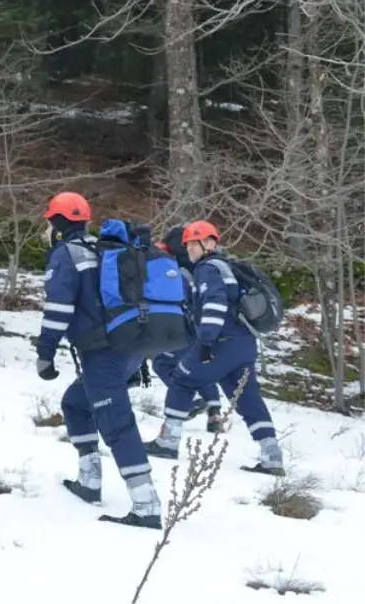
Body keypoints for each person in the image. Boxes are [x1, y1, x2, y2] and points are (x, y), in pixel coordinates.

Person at [35, 191, 163, 529]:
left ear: (57, 224)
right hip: (129, 351)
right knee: (76, 404)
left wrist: (44, 353)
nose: (46, 229)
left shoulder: (67, 255)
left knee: (116, 423)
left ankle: (146, 505)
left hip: (103, 355)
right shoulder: (101, 250)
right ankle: (89, 481)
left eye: (48, 222)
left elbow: (58, 309)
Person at [143, 220, 285, 475]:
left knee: (182, 380)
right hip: (243, 344)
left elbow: (215, 305)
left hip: (221, 344)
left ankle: (168, 441)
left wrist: (205, 343)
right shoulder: (226, 266)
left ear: (209, 243)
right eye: (187, 245)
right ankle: (272, 456)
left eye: (194, 244)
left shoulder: (207, 269)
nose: (190, 249)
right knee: (247, 397)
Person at [151, 224, 223, 434]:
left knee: (163, 363)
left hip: (183, 325)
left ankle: (191, 401)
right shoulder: (202, 266)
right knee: (200, 367)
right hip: (201, 326)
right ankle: (215, 413)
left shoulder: (175, 267)